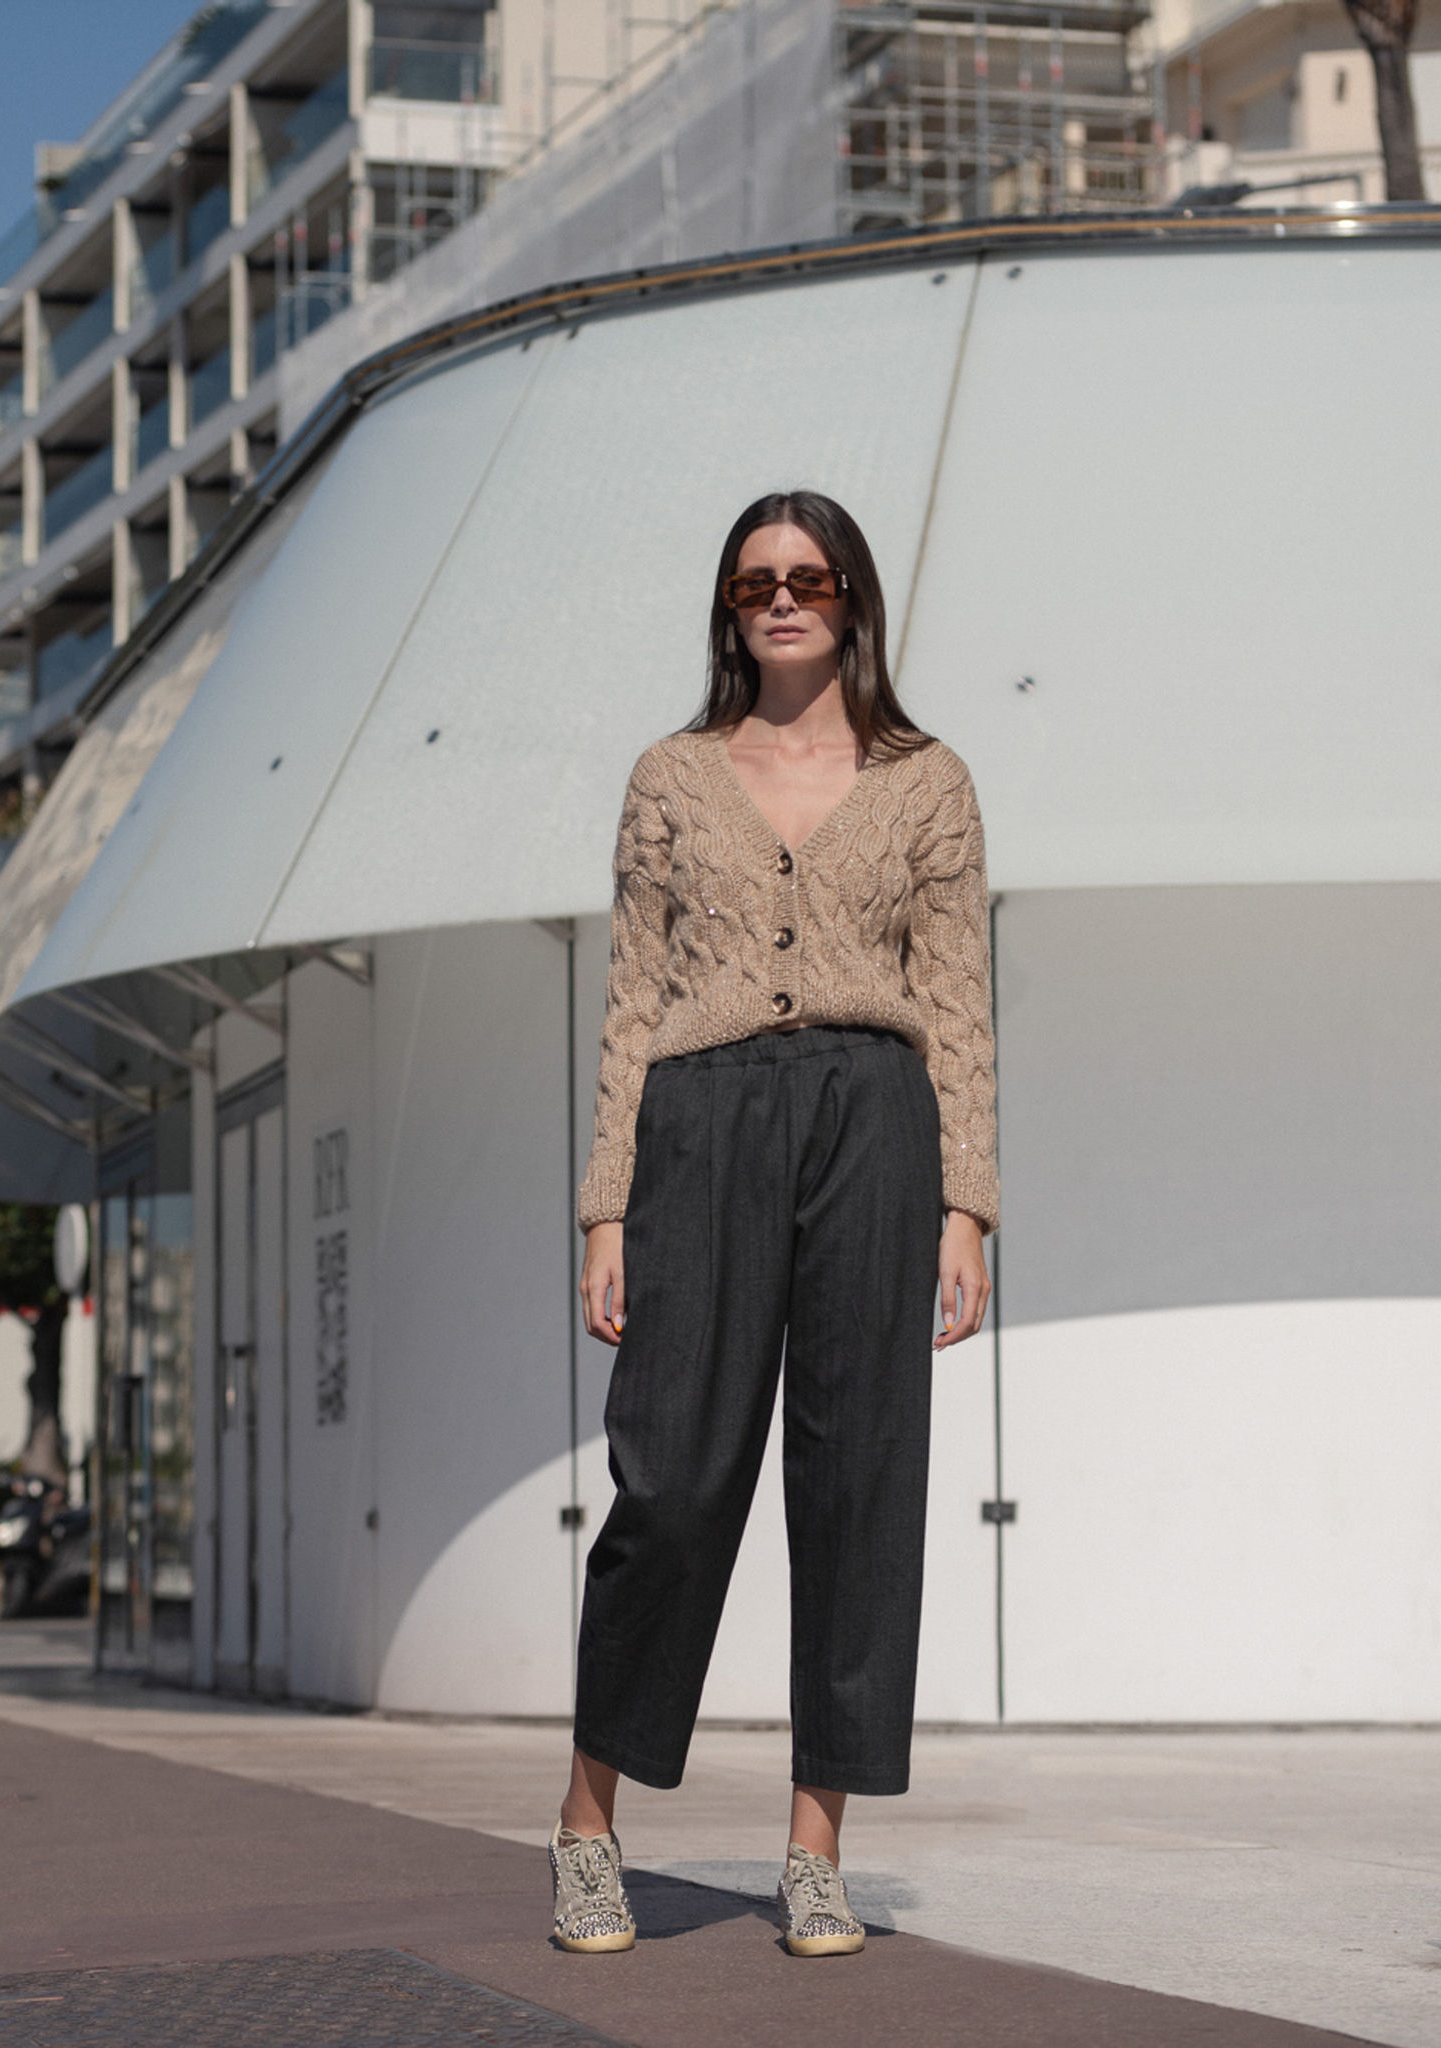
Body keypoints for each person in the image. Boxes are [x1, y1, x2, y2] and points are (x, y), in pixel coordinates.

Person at [549, 490, 997, 1960]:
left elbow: (958, 1003)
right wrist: (605, 1204)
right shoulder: (671, 776)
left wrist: (968, 1204)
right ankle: (588, 1824)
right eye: (758, 584)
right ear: (730, 609)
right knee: (670, 1479)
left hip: (877, 1122)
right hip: (701, 1119)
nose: (785, 601)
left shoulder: (929, 781)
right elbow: (628, 997)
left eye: (810, 579)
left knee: (861, 1481)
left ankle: (816, 1849)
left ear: (854, 600)